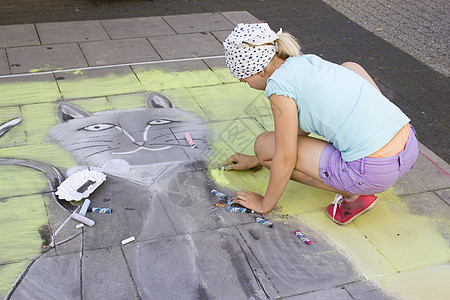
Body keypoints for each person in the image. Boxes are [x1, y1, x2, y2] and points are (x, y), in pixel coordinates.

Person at [221, 23, 419, 225]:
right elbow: (298, 128)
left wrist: (264, 204)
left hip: (374, 171)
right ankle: (366, 158)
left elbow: (286, 157)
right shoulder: (306, 63)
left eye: (245, 80)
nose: (247, 85)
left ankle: (356, 195)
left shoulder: (278, 87)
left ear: (260, 71)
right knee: (350, 67)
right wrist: (254, 161)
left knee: (264, 147)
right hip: (409, 145)